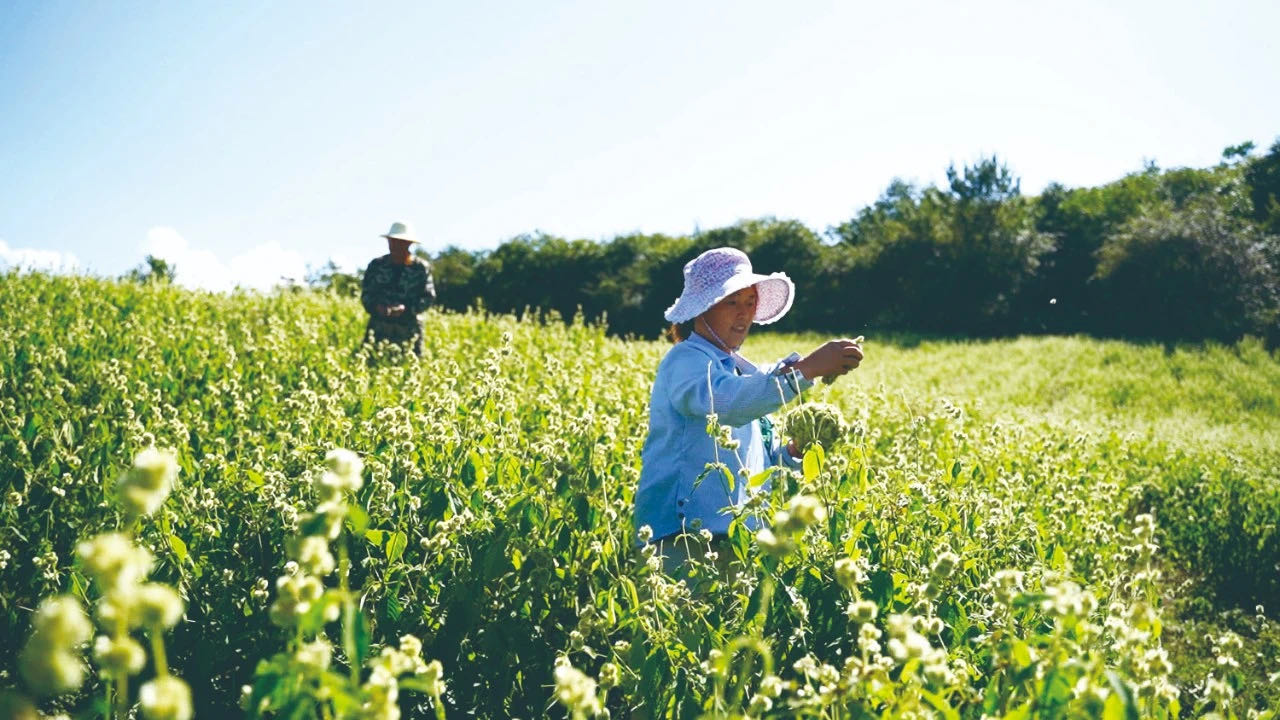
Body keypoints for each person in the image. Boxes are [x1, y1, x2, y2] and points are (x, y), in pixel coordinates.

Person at [634, 247, 863, 577]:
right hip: (680, 539)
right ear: (703, 308)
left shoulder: (741, 373)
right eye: (731, 302)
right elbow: (726, 404)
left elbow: (756, 462)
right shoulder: (685, 361)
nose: (743, 314)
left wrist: (796, 451)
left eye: (749, 302)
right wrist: (808, 369)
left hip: (735, 539)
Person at [361, 221, 437, 356]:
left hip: (409, 330)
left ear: (409, 244)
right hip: (378, 329)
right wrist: (377, 307)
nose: (395, 245)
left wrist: (406, 309)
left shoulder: (420, 268)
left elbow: (428, 297)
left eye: (400, 242)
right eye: (393, 241)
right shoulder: (376, 265)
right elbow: (366, 294)